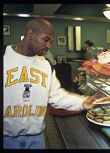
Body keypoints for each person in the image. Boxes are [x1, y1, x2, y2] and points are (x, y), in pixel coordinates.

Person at [3, 17, 98, 149]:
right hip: (6, 139)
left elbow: (56, 96)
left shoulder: (46, 65)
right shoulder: (5, 56)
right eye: (46, 39)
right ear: (30, 34)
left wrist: (82, 102)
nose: (48, 46)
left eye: (51, 42)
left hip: (37, 137)